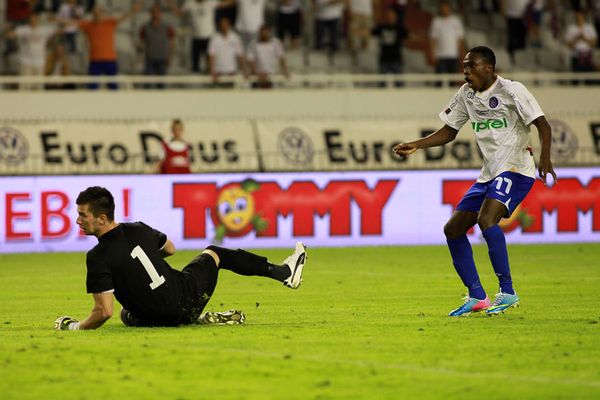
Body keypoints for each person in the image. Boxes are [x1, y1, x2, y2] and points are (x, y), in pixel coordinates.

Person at [393, 46, 557, 317]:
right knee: (453, 229)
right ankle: (477, 296)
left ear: (489, 68)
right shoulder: (466, 94)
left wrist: (545, 158)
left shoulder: (512, 90)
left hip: (516, 169)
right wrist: (416, 145)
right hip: (489, 173)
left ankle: (507, 291)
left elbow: (543, 124)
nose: (466, 71)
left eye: (471, 66)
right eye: (464, 66)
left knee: (487, 220)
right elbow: (449, 131)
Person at [54, 186, 307, 330]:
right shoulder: (140, 229)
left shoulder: (97, 257)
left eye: (82, 215)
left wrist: (74, 326)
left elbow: (104, 311)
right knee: (215, 253)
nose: (77, 220)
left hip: (151, 318)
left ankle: (285, 273)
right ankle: (282, 272)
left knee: (124, 314)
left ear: (101, 219)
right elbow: (171, 249)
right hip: (186, 300)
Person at [77, 2, 142, 89]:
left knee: (113, 86)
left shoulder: (109, 23)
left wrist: (133, 11)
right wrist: (55, 19)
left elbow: (122, 18)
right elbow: (72, 23)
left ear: (102, 12)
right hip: (95, 61)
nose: (97, 14)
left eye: (99, 12)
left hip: (109, 60)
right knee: (92, 87)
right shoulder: (88, 25)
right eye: (95, 12)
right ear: (92, 13)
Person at [139, 4, 176, 87]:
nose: (155, 14)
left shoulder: (167, 27)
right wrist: (140, 56)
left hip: (163, 59)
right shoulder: (145, 27)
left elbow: (172, 43)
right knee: (147, 83)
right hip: (149, 59)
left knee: (161, 84)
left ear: (161, 13)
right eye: (153, 12)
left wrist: (171, 56)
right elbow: (141, 43)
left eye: (157, 12)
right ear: (150, 13)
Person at [246, 24, 289, 88]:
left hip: (272, 75)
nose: (264, 34)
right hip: (258, 75)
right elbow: (251, 60)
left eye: (266, 32)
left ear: (269, 32)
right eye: (262, 32)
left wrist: (285, 70)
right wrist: (256, 73)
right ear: (259, 33)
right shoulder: (253, 44)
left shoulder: (276, 43)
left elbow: (281, 58)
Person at [208, 16, 246, 85]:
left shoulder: (235, 38)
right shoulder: (215, 38)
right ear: (219, 25)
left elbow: (240, 55)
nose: (224, 26)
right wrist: (212, 71)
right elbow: (211, 56)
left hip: (231, 72)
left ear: (229, 25)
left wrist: (244, 70)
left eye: (225, 24)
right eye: (222, 24)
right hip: (218, 73)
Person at [429, 1, 465, 75]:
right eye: (442, 8)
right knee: (440, 79)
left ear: (450, 8)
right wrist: (433, 53)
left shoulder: (456, 21)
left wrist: (460, 52)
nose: (444, 10)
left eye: (446, 8)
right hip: (440, 55)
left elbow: (460, 38)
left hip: (453, 55)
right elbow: (433, 39)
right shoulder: (436, 21)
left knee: (452, 78)